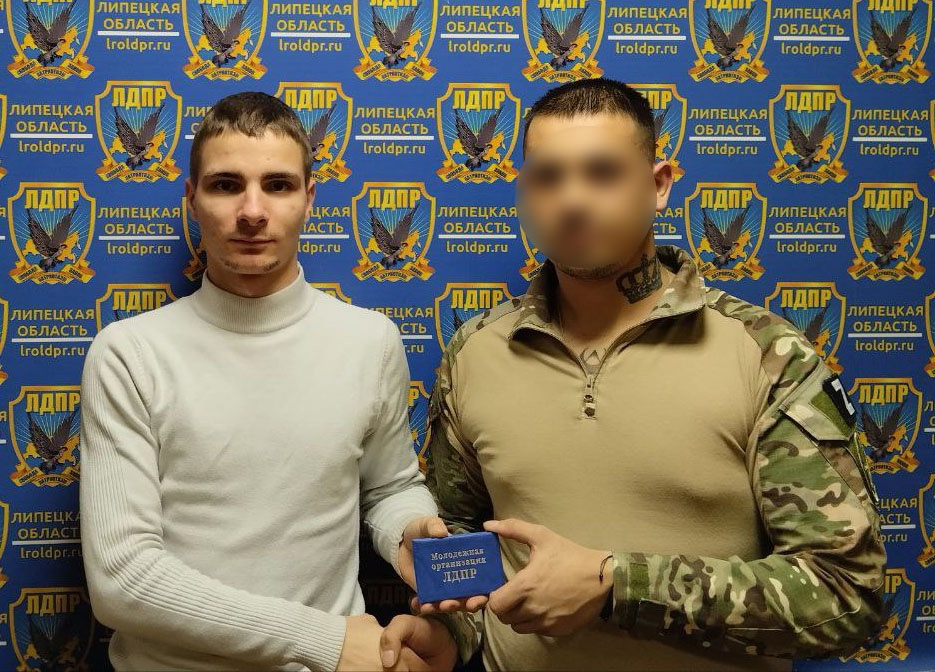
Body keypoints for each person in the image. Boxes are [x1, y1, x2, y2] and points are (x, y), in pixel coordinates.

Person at [381, 78, 886, 672]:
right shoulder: (476, 352)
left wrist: (617, 585)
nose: (572, 199)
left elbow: (847, 594)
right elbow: (466, 544)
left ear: (658, 185)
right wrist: (448, 634)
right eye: (548, 177)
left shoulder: (765, 354)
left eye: (603, 173)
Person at [80, 91, 452, 672]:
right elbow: (121, 580)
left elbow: (388, 488)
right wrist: (324, 641)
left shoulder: (369, 341)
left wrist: (406, 529)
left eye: (277, 185)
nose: (252, 211)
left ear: (309, 198)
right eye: (226, 185)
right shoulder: (130, 353)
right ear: (192, 199)